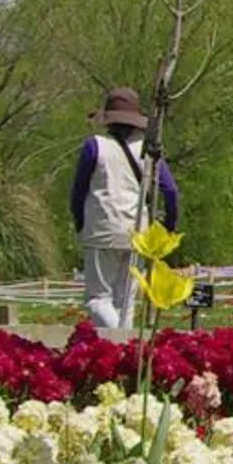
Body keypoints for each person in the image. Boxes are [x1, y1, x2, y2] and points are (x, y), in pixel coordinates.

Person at [70, 87, 181, 333]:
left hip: (101, 227)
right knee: (125, 301)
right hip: (137, 232)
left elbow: (78, 191)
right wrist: (169, 227)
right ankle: (127, 352)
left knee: (98, 298)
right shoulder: (149, 152)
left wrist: (79, 220)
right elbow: (171, 191)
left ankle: (119, 344)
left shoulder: (95, 146)